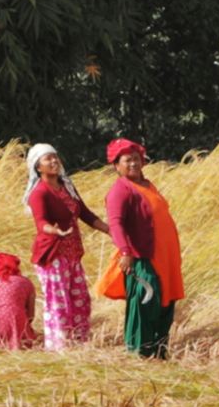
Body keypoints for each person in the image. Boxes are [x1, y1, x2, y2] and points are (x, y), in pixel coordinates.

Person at [94, 138, 184, 358]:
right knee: (145, 302)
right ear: (116, 165)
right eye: (127, 160)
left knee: (165, 304)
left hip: (165, 257)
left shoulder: (147, 184)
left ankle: (159, 352)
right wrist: (125, 251)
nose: (133, 163)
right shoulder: (120, 190)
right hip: (142, 257)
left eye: (136, 159)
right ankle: (139, 354)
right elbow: (116, 224)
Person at [22, 143, 110, 350]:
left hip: (72, 254)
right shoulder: (39, 193)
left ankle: (79, 344)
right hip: (53, 255)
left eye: (55, 157)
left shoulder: (66, 186)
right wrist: (55, 231)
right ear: (38, 167)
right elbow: (41, 222)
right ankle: (59, 348)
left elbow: (85, 214)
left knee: (80, 300)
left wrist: (109, 230)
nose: (54, 161)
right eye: (48, 159)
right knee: (59, 304)